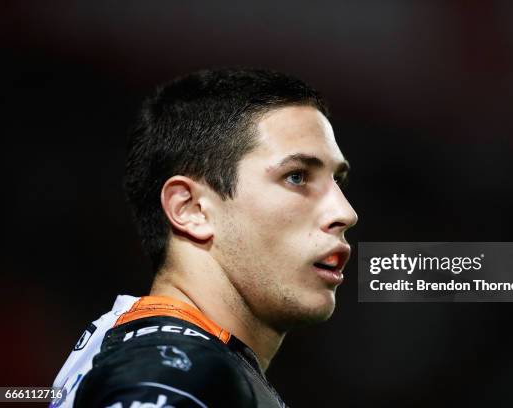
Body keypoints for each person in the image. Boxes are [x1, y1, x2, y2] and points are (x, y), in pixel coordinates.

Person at [51, 68, 357, 407]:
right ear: (191, 209)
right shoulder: (174, 370)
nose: (345, 212)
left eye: (337, 182)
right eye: (297, 177)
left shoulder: (154, 350)